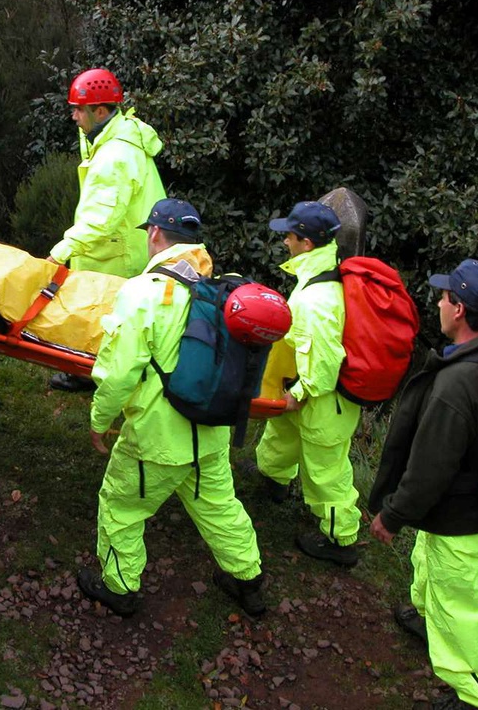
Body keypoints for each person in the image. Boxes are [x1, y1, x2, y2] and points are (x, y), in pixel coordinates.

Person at [75, 198, 266, 619]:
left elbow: (119, 372)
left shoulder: (143, 293)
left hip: (156, 441)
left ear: (155, 234)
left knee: (121, 506)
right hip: (211, 432)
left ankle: (119, 588)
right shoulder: (220, 290)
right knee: (219, 506)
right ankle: (248, 580)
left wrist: (99, 421)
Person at [368, 259, 478, 710]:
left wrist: (392, 515)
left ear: (461, 311)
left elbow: (430, 468)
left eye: (445, 296)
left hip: (463, 513)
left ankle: (476, 694)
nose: (437, 302)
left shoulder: (456, 385)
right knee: (428, 557)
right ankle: (425, 616)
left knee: (458, 598)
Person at [254, 200, 362, 566]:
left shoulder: (317, 299)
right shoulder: (319, 275)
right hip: (302, 389)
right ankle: (274, 480)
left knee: (326, 474)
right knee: (281, 435)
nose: (285, 241)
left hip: (322, 400)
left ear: (308, 243)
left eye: (290, 235)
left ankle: (341, 541)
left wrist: (298, 394)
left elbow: (326, 363)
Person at [46, 68, 166, 392]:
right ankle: (92, 370)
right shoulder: (111, 134)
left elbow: (103, 217)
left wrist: (60, 252)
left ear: (100, 111)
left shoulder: (116, 155)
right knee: (102, 312)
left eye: (78, 110)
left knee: (109, 314)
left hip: (118, 248)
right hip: (120, 241)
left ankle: (99, 377)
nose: (73, 117)